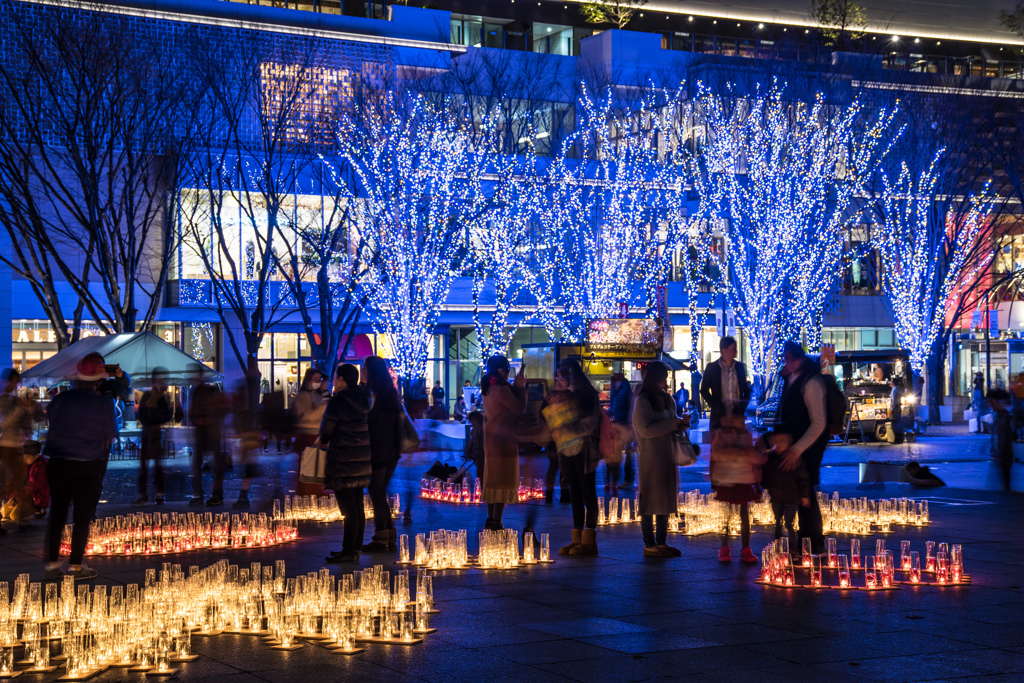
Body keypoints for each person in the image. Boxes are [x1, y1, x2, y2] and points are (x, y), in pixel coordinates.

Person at [43, 352, 115, 581]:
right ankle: (75, 566)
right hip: (88, 464)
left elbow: (51, 423)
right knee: (82, 516)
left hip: (58, 462)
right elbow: (109, 437)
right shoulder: (103, 404)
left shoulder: (60, 400)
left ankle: (52, 564)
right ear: (98, 381)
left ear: (75, 378)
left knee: (57, 514)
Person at [541, 359, 601, 556]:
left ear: (571, 375)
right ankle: (576, 539)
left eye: (562, 375)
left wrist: (568, 427)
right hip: (565, 449)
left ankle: (589, 540)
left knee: (588, 494)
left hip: (585, 450)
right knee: (574, 493)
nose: (559, 379)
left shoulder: (587, 394)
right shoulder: (562, 395)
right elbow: (545, 415)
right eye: (557, 375)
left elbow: (590, 424)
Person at [773, 341, 828, 554]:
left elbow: (819, 422)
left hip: (808, 445)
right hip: (794, 444)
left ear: (801, 359)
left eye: (791, 359)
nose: (787, 363)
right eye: (785, 359)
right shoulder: (791, 378)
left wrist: (798, 449)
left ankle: (815, 541)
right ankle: (806, 541)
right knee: (798, 488)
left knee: (806, 489)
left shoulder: (812, 382)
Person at [632, 361, 688, 558]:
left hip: (667, 454)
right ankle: (649, 543)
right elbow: (645, 430)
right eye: (663, 378)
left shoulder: (666, 399)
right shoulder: (643, 400)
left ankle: (662, 542)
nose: (665, 382)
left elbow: (670, 423)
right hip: (651, 457)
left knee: (664, 497)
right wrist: (671, 424)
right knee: (649, 500)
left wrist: (681, 424)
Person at [322, 364, 373, 563]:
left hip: (343, 458)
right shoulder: (365, 398)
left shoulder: (338, 401)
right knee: (357, 505)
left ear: (342, 379)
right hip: (361, 458)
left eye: (335, 377)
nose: (333, 381)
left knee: (348, 509)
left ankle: (349, 551)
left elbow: (327, 429)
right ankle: (355, 547)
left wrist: (323, 440)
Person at [710, 409, 765, 564]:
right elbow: (716, 454)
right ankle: (725, 547)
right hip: (728, 479)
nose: (741, 422)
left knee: (744, 515)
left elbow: (752, 458)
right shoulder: (722, 434)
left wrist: (756, 483)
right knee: (727, 515)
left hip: (743, 478)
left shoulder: (745, 435)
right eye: (738, 419)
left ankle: (745, 548)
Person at [480, 355, 526, 531]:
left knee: (493, 480)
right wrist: (520, 388)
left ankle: (491, 520)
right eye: (508, 371)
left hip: (491, 438)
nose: (509, 375)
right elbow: (519, 408)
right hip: (503, 439)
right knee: (502, 481)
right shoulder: (501, 389)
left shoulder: (488, 388)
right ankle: (497, 522)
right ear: (501, 371)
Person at [363, 355, 402, 552]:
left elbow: (369, 421)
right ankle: (389, 536)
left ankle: (381, 538)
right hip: (392, 450)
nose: (362, 371)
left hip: (378, 449)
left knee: (376, 493)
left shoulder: (371, 394)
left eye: (364, 367)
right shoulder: (391, 392)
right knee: (379, 493)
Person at [760, 434, 812, 557]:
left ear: (789, 441)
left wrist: (804, 495)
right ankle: (778, 547)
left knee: (789, 524)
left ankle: (793, 549)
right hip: (776, 497)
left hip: (791, 498)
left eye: (783, 441)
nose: (780, 443)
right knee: (777, 523)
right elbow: (765, 475)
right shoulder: (770, 458)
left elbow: (802, 479)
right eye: (777, 440)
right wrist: (767, 488)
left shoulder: (793, 458)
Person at [187, 366, 229, 506]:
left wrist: (208, 420)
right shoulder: (197, 391)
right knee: (199, 464)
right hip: (202, 431)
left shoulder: (210, 390)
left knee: (215, 465)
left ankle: (215, 494)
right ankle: (200, 494)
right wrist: (195, 419)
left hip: (211, 431)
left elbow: (221, 410)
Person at [134, 368, 173, 505]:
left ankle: (158, 494)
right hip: (149, 433)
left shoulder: (163, 397)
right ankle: (145, 494)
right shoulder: (150, 396)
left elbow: (167, 415)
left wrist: (155, 421)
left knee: (157, 466)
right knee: (147, 465)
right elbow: (143, 416)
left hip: (155, 434)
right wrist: (155, 421)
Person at [0, 369, 33, 524]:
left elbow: (24, 421)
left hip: (15, 445)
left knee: (21, 481)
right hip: (4, 446)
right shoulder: (4, 400)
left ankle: (20, 517)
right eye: (13, 381)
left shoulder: (14, 400)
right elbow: (5, 423)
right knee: (3, 481)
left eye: (16, 382)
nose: (14, 385)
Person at [700, 336, 751, 432]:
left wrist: (743, 406)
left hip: (737, 415)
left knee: (738, 445)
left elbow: (746, 389)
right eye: (732, 349)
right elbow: (704, 390)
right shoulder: (712, 368)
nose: (735, 351)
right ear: (724, 350)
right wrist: (715, 406)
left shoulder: (740, 367)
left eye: (735, 349)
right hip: (719, 416)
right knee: (719, 444)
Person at [294, 368, 327, 496]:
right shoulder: (303, 396)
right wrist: (323, 407)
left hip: (315, 434)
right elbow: (308, 415)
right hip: (307, 434)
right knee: (309, 467)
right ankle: (308, 495)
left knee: (315, 467)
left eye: (320, 379)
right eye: (316, 379)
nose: (319, 382)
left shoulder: (316, 394)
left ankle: (312, 494)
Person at [231, 378, 262, 509]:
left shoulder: (241, 407)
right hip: (249, 440)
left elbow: (239, 423)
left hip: (247, 441)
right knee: (249, 469)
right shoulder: (249, 406)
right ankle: (244, 495)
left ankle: (244, 496)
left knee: (248, 469)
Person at [1, 441, 48, 525]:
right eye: (23, 457)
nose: (24, 460)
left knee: (14, 515)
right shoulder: (25, 464)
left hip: (35, 499)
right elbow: (14, 480)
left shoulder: (41, 466)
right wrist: (4, 493)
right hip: (22, 495)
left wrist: (16, 499)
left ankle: (39, 510)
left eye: (27, 457)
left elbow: (32, 486)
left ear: (36, 455)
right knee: (3, 512)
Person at [606, 373, 632, 490]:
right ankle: (612, 481)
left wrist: (628, 422)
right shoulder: (615, 387)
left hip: (623, 423)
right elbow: (613, 404)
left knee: (624, 453)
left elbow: (629, 405)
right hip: (616, 422)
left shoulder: (625, 388)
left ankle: (621, 480)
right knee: (614, 452)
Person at [989, 389, 1015, 491]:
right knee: (1005, 479)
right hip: (1003, 454)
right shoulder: (1000, 416)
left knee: (1005, 480)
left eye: (992, 402)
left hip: (1003, 454)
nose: (990, 405)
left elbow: (1003, 437)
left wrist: (998, 453)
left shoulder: (1003, 417)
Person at [889, 378, 905, 444]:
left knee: (894, 424)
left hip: (895, 408)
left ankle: (897, 439)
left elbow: (894, 400)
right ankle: (900, 439)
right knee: (898, 423)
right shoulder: (898, 389)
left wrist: (891, 409)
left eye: (891, 381)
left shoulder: (894, 389)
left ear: (893, 383)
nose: (890, 382)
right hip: (898, 407)